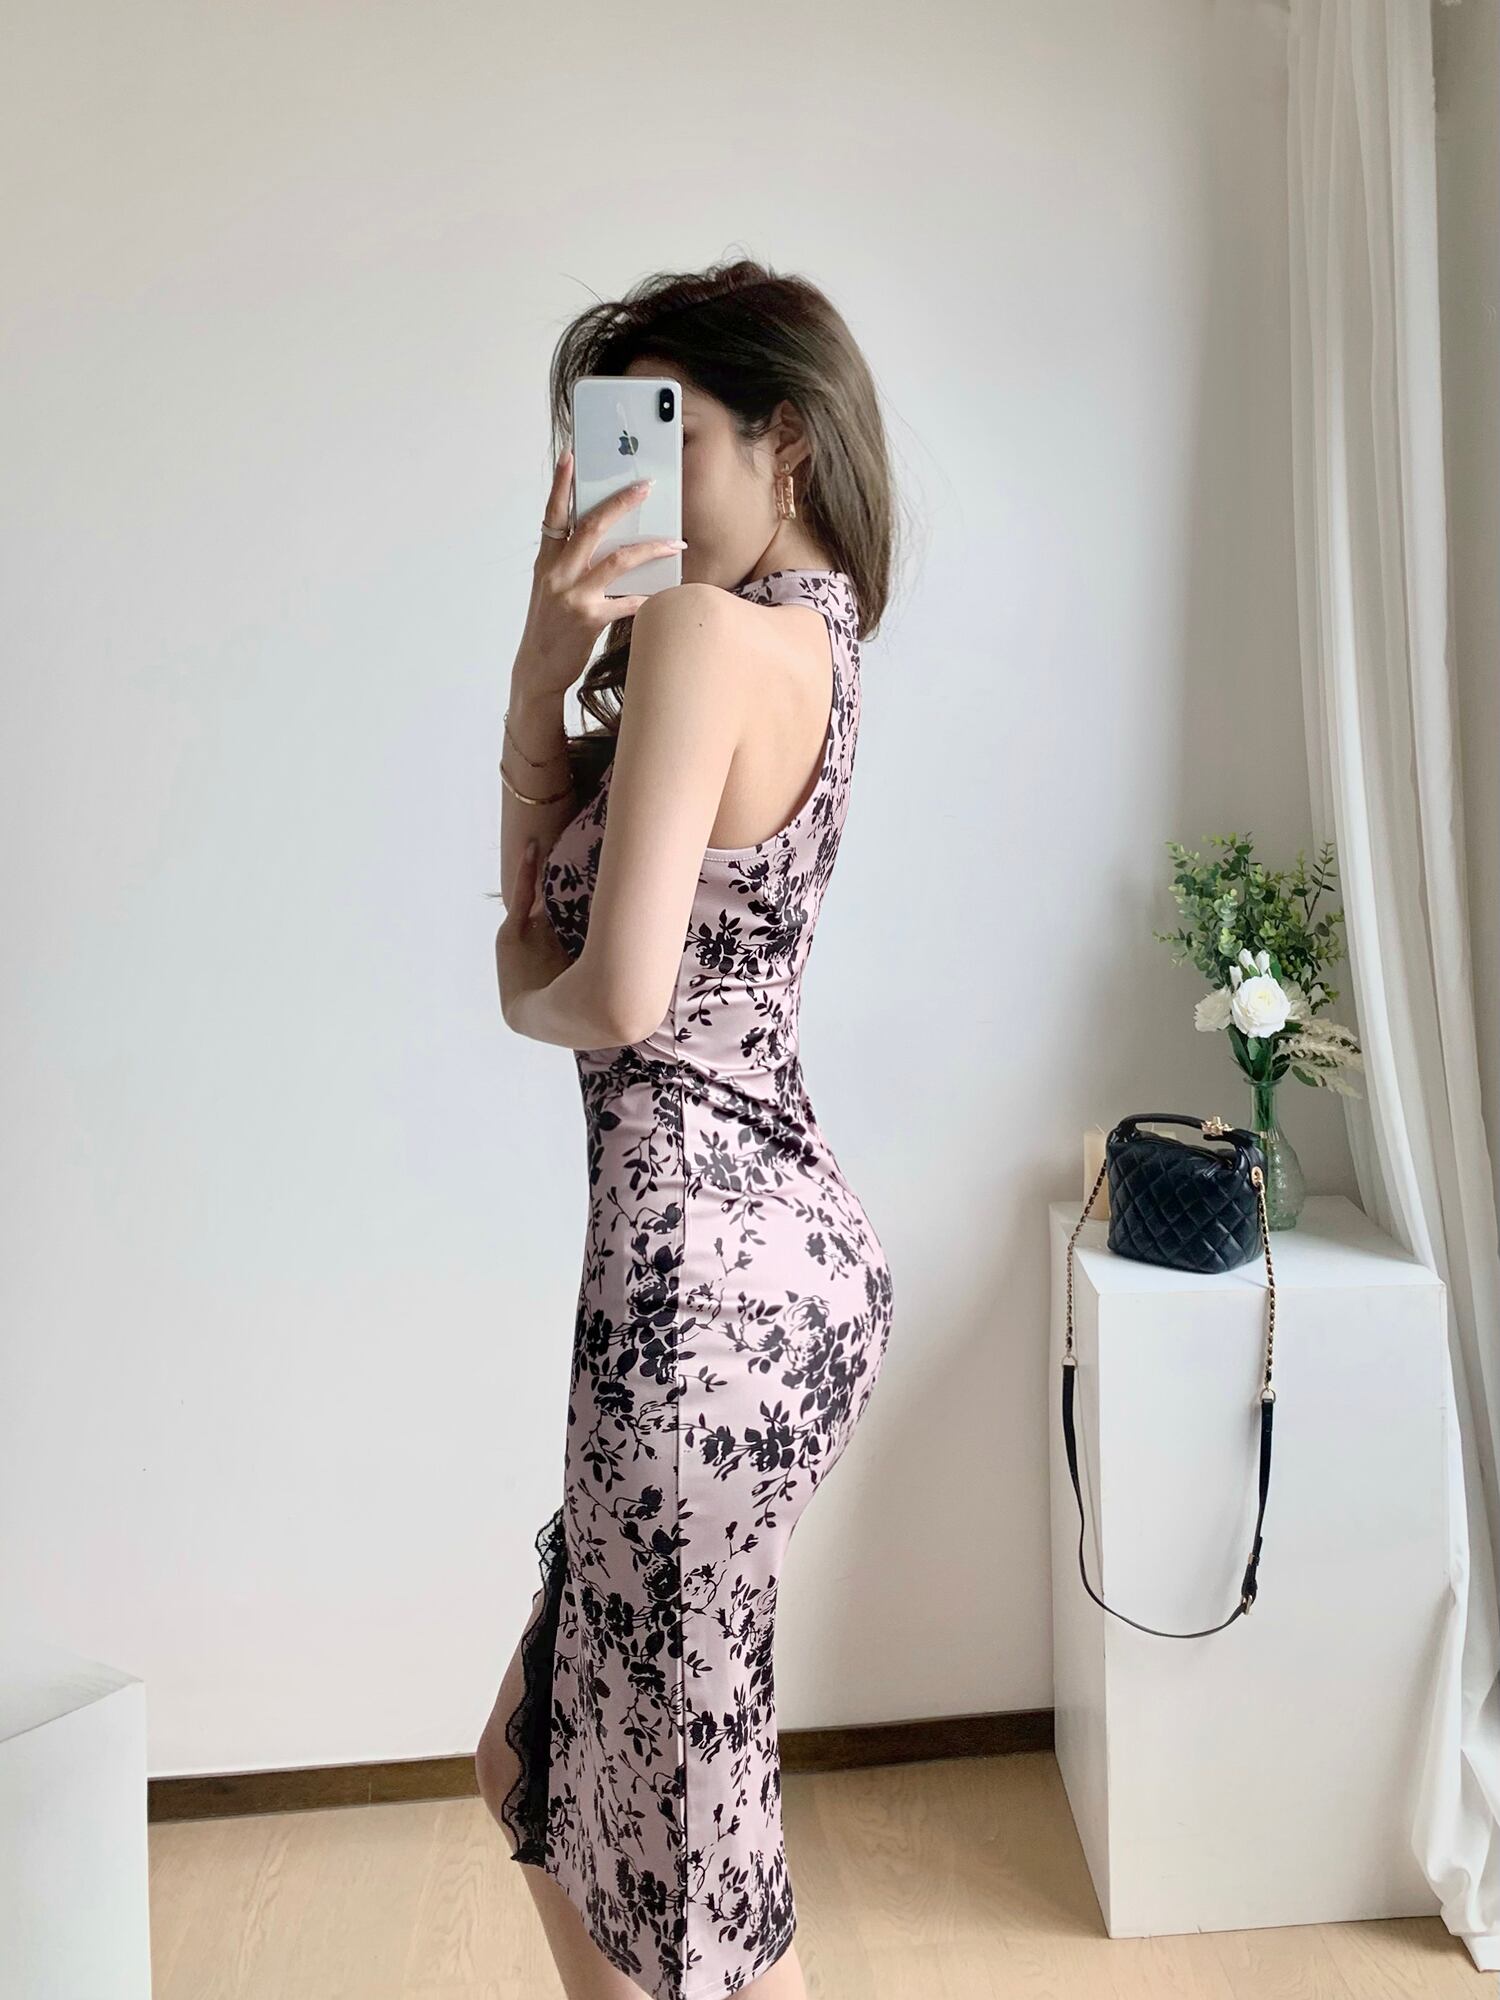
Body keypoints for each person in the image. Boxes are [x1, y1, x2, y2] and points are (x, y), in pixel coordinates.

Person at [475, 258, 897, 2000]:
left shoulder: (710, 639)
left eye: (678, 437)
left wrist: (521, 990)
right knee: (539, 1758)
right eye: (614, 441)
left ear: (786, 440)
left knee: (700, 1880)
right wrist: (543, 678)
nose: (636, 483)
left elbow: (606, 990)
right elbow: (564, 904)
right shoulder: (817, 645)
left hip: (692, 1303)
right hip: (767, 1271)